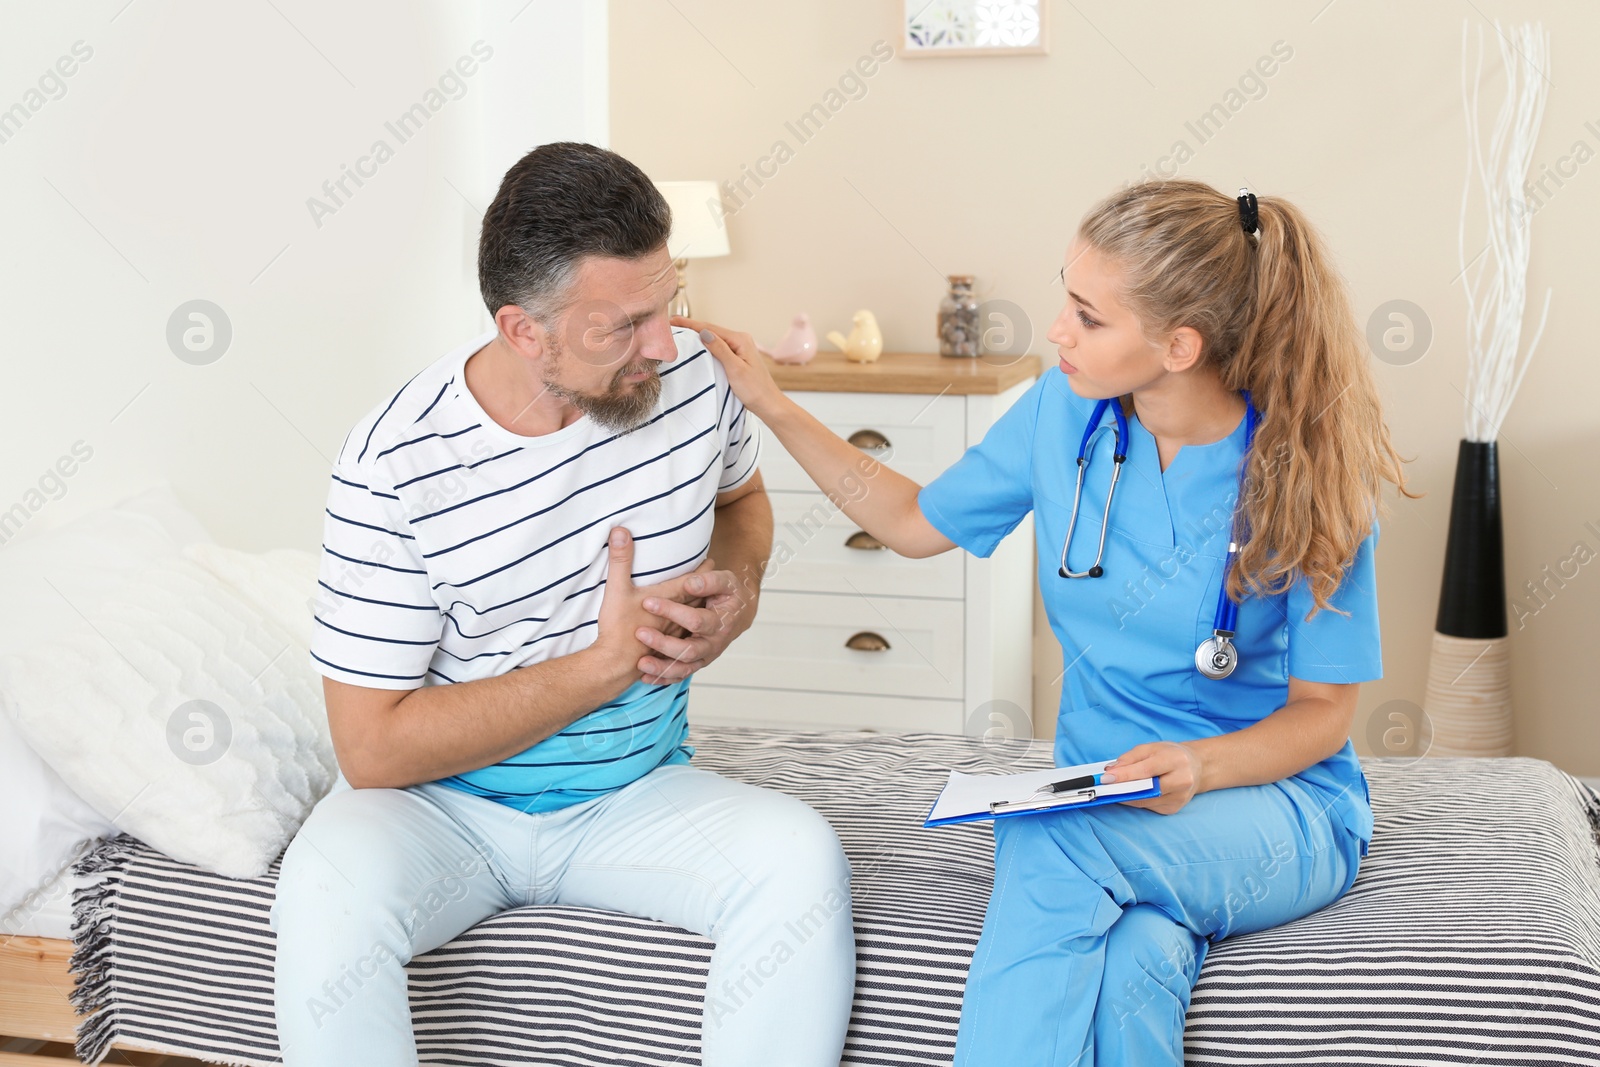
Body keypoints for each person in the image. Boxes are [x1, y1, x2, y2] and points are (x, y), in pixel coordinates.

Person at [682, 178, 1416, 1066]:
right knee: (1138, 959)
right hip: (1109, 791)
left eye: (1088, 316)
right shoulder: (1058, 414)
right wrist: (774, 402)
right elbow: (913, 522)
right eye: (1064, 298)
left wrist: (1201, 762)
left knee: (1048, 834)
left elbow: (1326, 713)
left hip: (1271, 804)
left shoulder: (1305, 473)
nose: (1056, 331)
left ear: (1179, 344)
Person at [270, 142, 855, 1067]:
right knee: (319, 905)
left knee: (800, 861)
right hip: (437, 809)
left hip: (635, 792)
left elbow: (742, 503)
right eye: (622, 325)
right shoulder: (396, 463)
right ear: (522, 330)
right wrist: (599, 668)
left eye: (668, 303)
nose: (663, 342)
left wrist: (738, 591)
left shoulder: (693, 381)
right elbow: (372, 747)